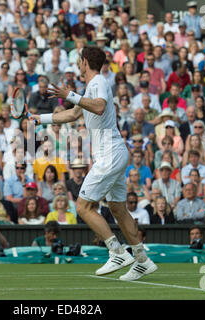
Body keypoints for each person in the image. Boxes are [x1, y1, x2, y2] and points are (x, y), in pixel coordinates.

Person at [31, 46, 157, 280]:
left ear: (85, 62)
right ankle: (142, 259)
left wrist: (69, 95)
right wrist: (39, 118)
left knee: (82, 206)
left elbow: (98, 107)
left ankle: (116, 251)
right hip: (116, 152)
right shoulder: (92, 86)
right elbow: (72, 115)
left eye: (80, 62)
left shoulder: (98, 81)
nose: (79, 66)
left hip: (110, 153)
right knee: (118, 208)